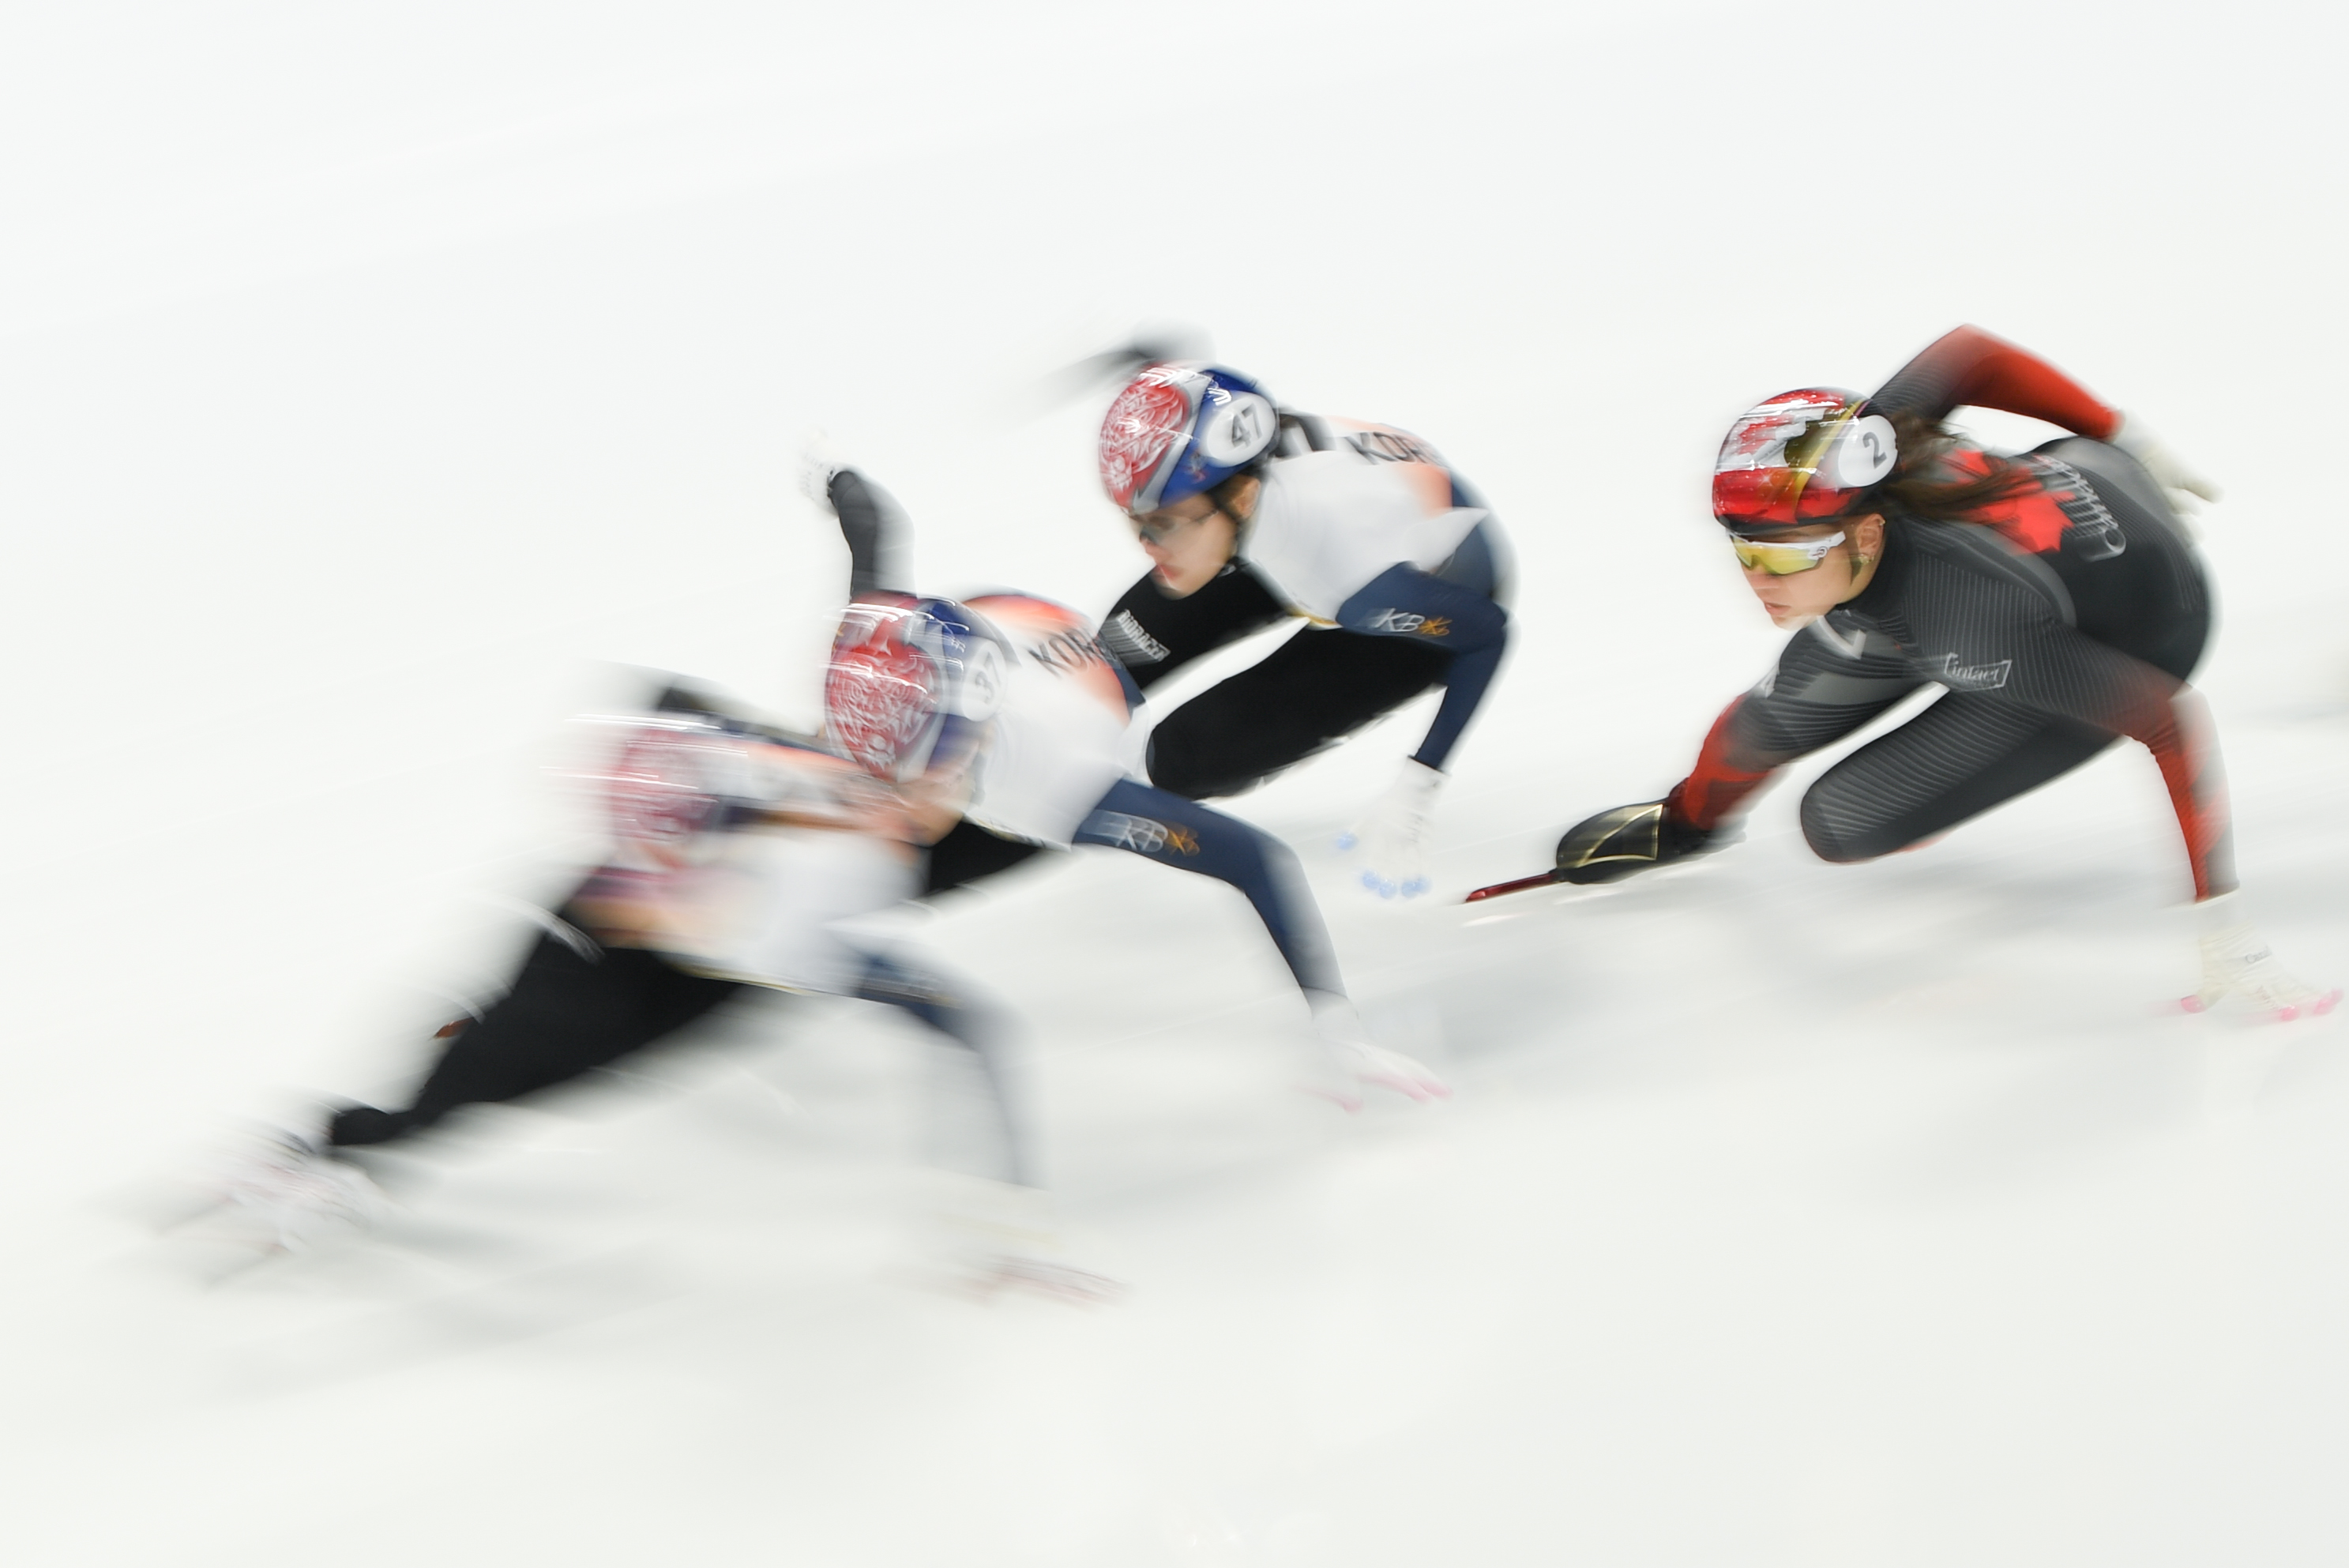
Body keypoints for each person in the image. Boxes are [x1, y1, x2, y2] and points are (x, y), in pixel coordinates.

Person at [1542, 325, 2332, 1017]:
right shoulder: (1865, 443)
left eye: (1782, 554)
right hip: (2058, 504)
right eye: (1744, 548)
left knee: (1840, 823)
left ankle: (1965, 718)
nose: (1759, 578)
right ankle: (1691, 825)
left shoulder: (1974, 618)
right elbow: (1971, 353)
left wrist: (2221, 924)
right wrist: (2125, 434)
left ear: (1867, 529)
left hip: (2137, 631)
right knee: (1763, 728)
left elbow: (2168, 718)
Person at [812, 453, 1446, 1107]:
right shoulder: (875, 654)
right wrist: (835, 476)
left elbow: (1256, 859)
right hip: (1018, 636)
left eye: (917, 779)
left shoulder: (1062, 791)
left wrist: (1336, 1025)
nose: (900, 803)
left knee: (900, 867)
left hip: (1078, 706)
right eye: (885, 775)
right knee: (858, 821)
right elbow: (875, 530)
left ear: (971, 744)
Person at [1084, 360, 1513, 899]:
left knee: (1183, 759)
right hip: (1297, 531)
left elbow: (1488, 633)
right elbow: (1210, 405)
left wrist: (1420, 779)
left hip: (1418, 611)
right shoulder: (1235, 480)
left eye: (1161, 522)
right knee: (1107, 664)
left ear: (1237, 497)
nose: (1144, 544)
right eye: (1133, 519)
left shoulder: (1357, 578)